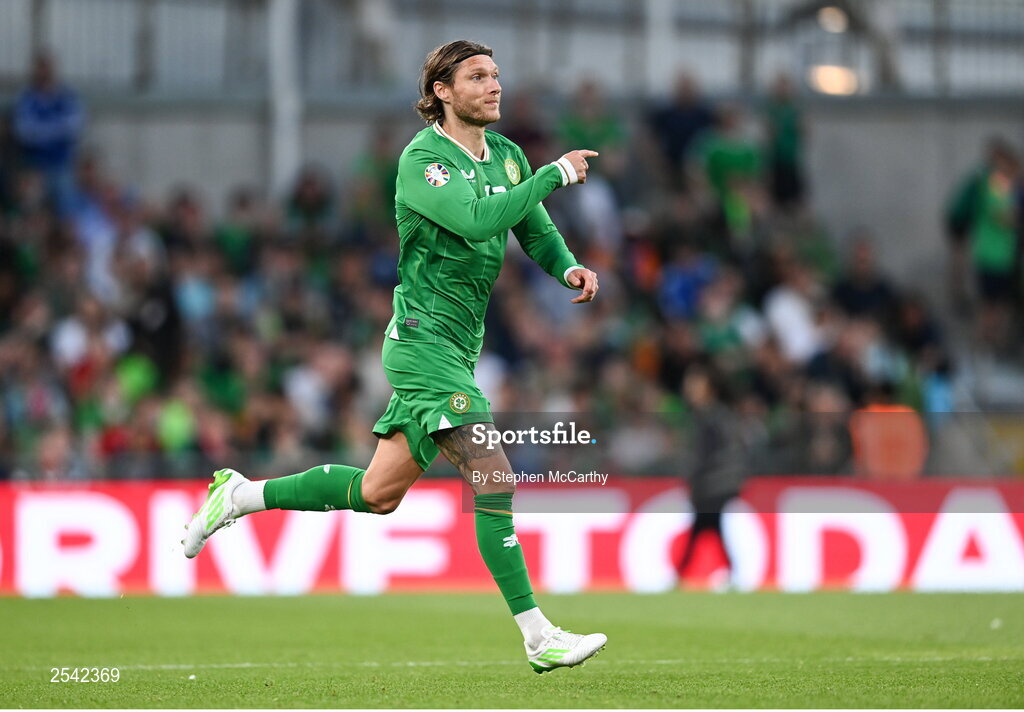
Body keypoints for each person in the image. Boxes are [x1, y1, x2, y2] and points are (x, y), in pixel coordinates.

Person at [182, 40, 606, 674]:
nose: (494, 86)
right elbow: (474, 220)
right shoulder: (424, 160)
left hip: (459, 347)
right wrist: (556, 172)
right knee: (494, 475)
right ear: (442, 91)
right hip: (422, 341)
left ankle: (240, 495)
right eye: (477, 77)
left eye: (496, 75)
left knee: (378, 493)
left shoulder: (509, 156)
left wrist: (567, 265)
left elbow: (532, 227)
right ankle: (538, 634)